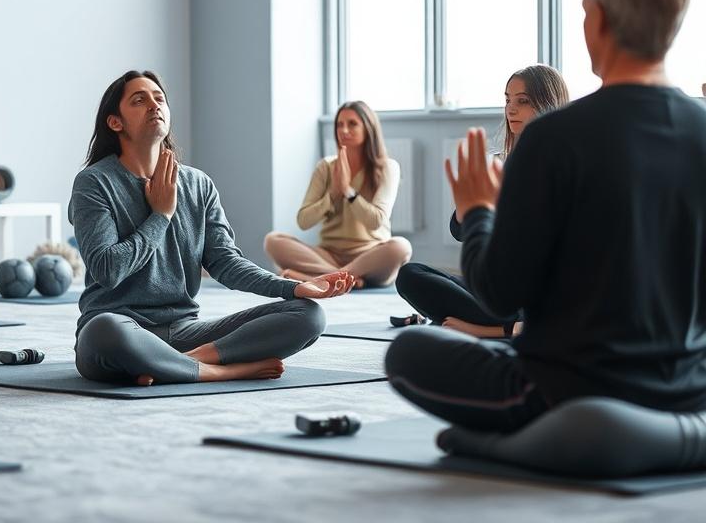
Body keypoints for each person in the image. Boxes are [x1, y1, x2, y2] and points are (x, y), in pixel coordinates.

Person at [385, 0, 706, 432]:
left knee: (409, 352)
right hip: (688, 392)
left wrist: (477, 212)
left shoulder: (555, 137)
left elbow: (498, 290)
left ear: (596, 19)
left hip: (567, 390)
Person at [70, 70, 354, 386]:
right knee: (103, 329)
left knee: (309, 315)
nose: (154, 105)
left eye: (159, 98)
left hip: (186, 334)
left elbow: (226, 263)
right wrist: (161, 215)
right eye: (139, 100)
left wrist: (293, 288)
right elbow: (108, 270)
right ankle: (222, 371)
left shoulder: (198, 184)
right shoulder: (94, 183)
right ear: (115, 122)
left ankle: (185, 364)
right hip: (122, 332)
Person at [395, 65, 569, 338]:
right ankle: (478, 322)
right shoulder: (502, 162)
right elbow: (460, 232)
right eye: (508, 100)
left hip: (537, 298)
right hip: (497, 288)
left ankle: (497, 329)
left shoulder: (564, 168)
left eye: (522, 101)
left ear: (549, 103)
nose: (511, 110)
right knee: (410, 275)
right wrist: (470, 205)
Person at [264, 101, 412, 288]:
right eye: (339, 124)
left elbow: (376, 221)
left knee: (401, 247)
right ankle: (347, 279)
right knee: (273, 240)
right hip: (328, 255)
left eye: (352, 124)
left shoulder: (387, 168)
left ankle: (324, 278)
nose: (344, 130)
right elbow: (303, 220)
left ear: (368, 128)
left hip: (370, 257)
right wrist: (333, 195)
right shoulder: (326, 167)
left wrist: (348, 192)